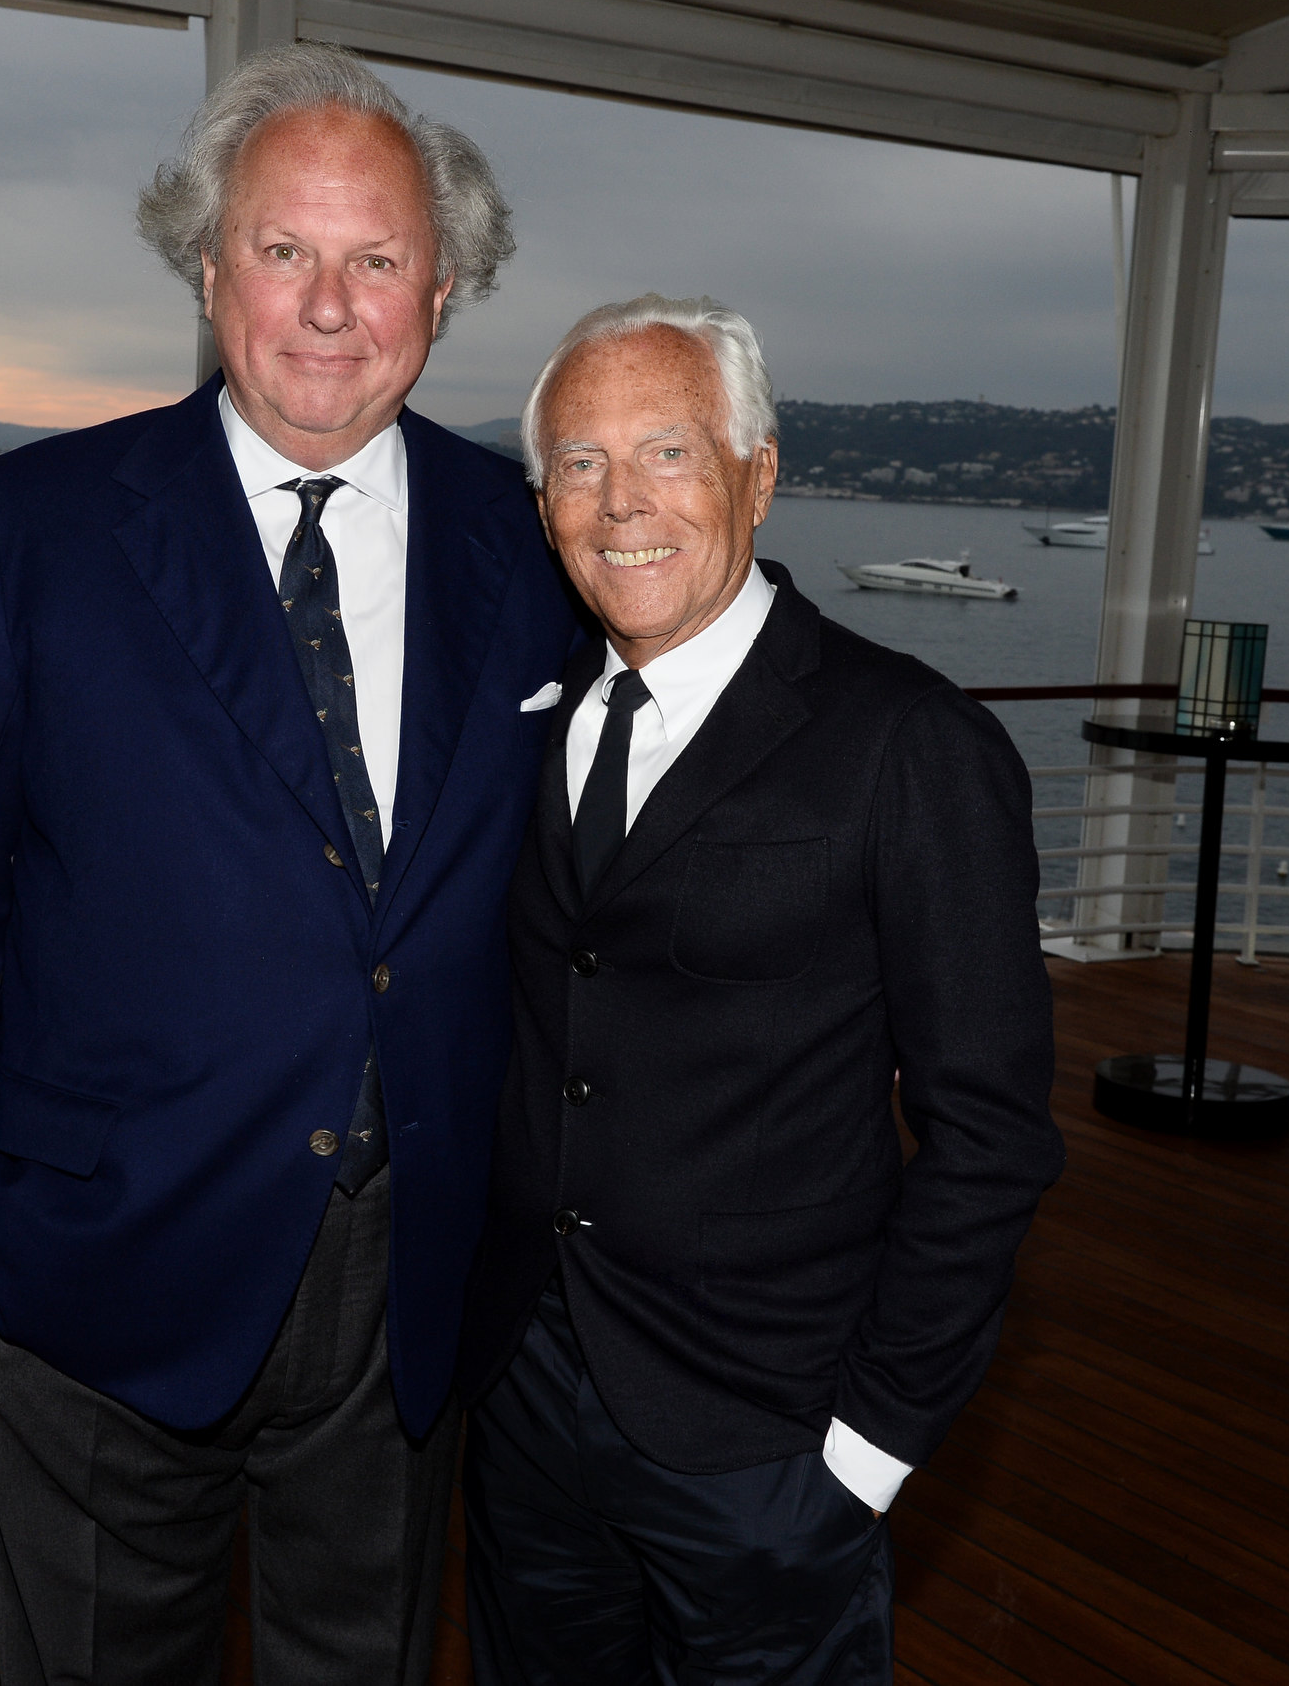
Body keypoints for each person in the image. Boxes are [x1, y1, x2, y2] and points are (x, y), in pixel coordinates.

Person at [0, 44, 575, 1685]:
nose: (327, 305)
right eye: (281, 249)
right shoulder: (33, 526)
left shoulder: (529, 540)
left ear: (441, 292)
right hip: (91, 1260)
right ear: (206, 269)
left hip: (409, 1278)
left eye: (375, 259)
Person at [455, 295, 1064, 1682]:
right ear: (544, 501)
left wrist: (869, 1447)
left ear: (758, 473)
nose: (621, 503)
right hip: (526, 1402)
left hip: (769, 1436)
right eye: (579, 463)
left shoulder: (909, 742)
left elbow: (990, 1134)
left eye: (667, 451)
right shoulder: (528, 716)